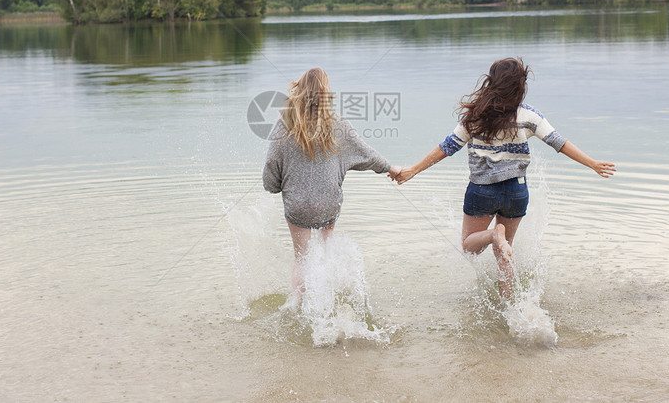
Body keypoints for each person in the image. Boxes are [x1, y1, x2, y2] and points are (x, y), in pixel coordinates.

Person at [391, 57, 615, 299]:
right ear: (520, 86)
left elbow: (447, 147)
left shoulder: (476, 116)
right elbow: (559, 143)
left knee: (469, 246)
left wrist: (413, 169)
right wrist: (592, 163)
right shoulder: (529, 116)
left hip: (482, 191)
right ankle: (509, 304)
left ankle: (492, 235)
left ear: (492, 82)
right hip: (516, 192)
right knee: (505, 253)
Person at [263, 68, 400, 308]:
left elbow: (271, 162)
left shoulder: (283, 125)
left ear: (300, 90)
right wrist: (390, 168)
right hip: (327, 203)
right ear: (326, 93)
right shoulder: (338, 124)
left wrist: (272, 186)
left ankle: (297, 302)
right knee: (326, 249)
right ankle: (328, 298)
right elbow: (366, 154)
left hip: (298, 205)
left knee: (301, 257)